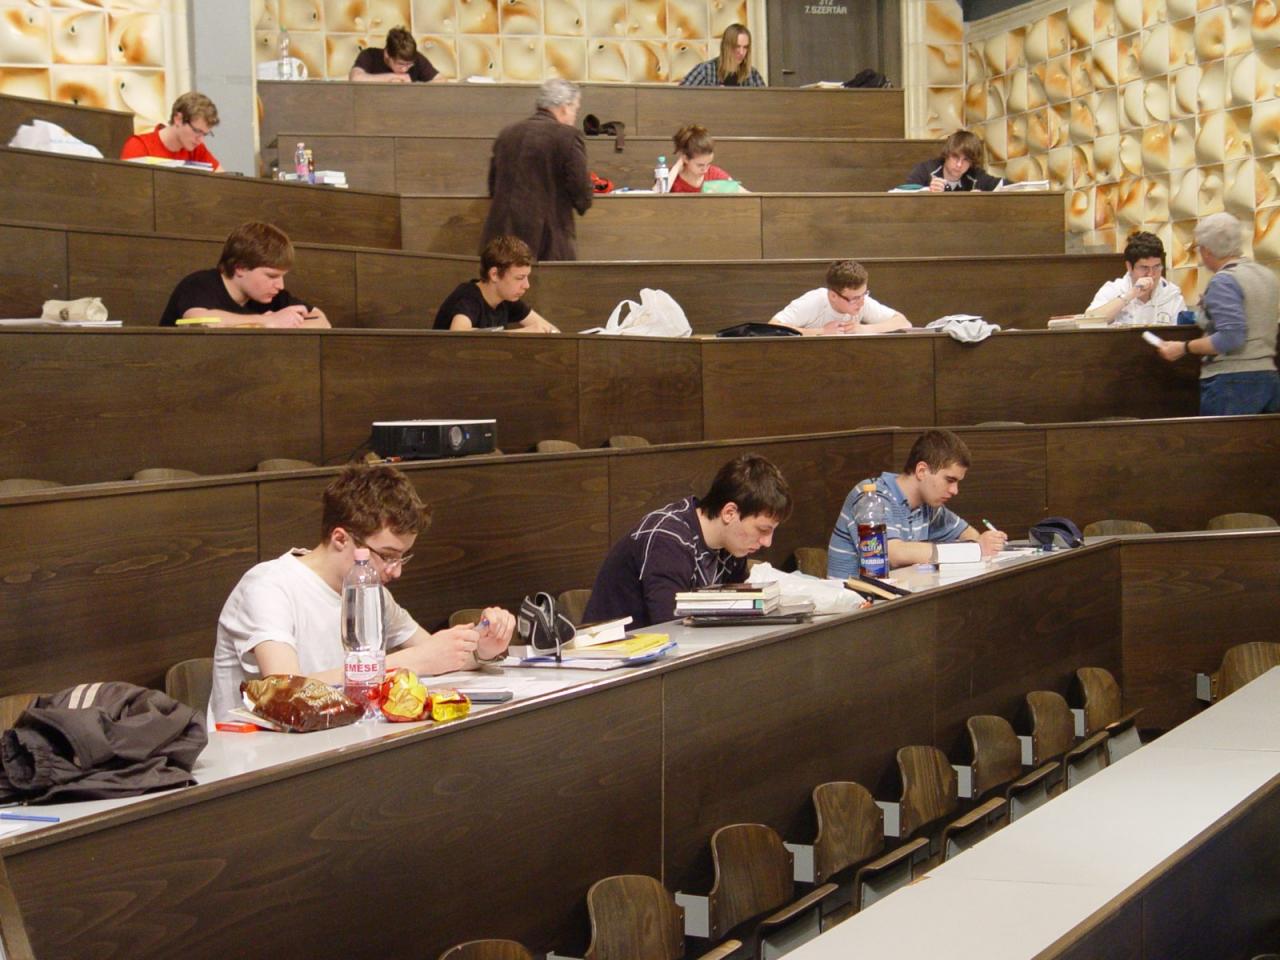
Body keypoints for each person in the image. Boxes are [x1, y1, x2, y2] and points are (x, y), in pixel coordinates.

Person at [210, 464, 516, 721]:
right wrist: (413, 661)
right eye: (388, 555)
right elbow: (286, 693)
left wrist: (482, 647)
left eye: (402, 557)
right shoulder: (268, 586)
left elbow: (436, 656)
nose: (396, 571)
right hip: (257, 758)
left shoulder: (370, 591)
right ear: (341, 539)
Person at [582, 454, 792, 629]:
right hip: (614, 658)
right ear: (729, 513)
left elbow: (735, 620)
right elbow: (671, 628)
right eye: (763, 530)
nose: (767, 542)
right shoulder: (666, 539)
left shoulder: (732, 546)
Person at [827, 429, 1007, 576]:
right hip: (853, 603)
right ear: (922, 471)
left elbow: (968, 534)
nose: (955, 490)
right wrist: (972, 549)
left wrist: (981, 543)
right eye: (950, 480)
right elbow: (893, 553)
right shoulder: (871, 495)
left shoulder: (929, 506)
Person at [1155, 213, 1279, 415]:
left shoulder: (1224, 281)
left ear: (1206, 250)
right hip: (1269, 378)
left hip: (1232, 383)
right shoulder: (1266, 275)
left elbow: (1231, 337)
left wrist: (1184, 347)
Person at [481, 79, 593, 261]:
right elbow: (581, 191)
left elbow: (493, 186)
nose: (574, 116)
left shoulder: (507, 134)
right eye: (575, 109)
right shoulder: (568, 136)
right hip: (547, 241)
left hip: (500, 237)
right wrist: (585, 201)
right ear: (565, 107)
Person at [160, 221, 330, 328]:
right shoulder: (199, 284)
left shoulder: (273, 296)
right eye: (271, 276)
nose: (280, 285)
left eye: (282, 276)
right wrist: (267, 321)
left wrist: (282, 323)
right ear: (240, 268)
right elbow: (199, 320)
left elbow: (322, 321)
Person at [433, 235, 558, 333]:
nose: (527, 285)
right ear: (494, 274)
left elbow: (550, 330)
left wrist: (548, 332)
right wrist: (522, 333)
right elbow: (459, 333)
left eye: (527, 277)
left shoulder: (507, 298)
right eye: (520, 278)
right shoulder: (468, 297)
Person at [769, 260, 911, 335]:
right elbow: (772, 327)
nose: (861, 302)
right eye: (854, 298)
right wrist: (820, 332)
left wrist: (864, 329)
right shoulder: (813, 301)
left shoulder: (862, 301)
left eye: (864, 294)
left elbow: (903, 322)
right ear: (833, 295)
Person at [1086, 231, 1186, 325]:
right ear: (1129, 267)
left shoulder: (1171, 294)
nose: (1151, 274)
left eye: (1156, 267)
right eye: (1144, 268)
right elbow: (1088, 322)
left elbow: (1182, 333)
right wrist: (1130, 295)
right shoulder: (1114, 289)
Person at [120, 91, 222, 171]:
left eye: (205, 134)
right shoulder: (139, 146)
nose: (201, 140)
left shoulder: (197, 149)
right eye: (196, 131)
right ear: (178, 119)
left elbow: (223, 182)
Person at [904, 130, 1004, 192]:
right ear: (946, 154)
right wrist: (927, 190)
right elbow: (902, 194)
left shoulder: (976, 175)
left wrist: (983, 199)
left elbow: (1008, 186)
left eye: (966, 160)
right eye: (955, 157)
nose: (959, 164)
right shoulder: (925, 170)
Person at [679, 23, 765, 87]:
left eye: (745, 47)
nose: (741, 52)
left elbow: (766, 102)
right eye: (737, 47)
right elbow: (679, 96)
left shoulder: (752, 75)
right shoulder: (705, 70)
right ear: (726, 47)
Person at [667, 124, 745, 194]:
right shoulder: (671, 177)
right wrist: (677, 167)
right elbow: (660, 195)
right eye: (700, 165)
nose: (705, 170)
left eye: (708, 164)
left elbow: (747, 196)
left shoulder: (714, 174)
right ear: (685, 158)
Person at [348, 25, 441, 83]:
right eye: (400, 64)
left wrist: (417, 88)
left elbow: (441, 80)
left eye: (409, 64)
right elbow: (355, 78)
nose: (405, 69)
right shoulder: (369, 55)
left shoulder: (417, 58)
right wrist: (393, 77)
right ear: (387, 54)